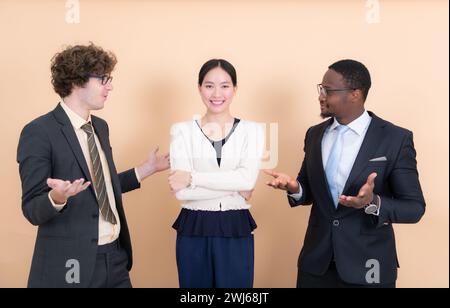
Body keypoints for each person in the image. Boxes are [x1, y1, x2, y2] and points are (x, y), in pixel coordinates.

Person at [17, 43, 170, 288]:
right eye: (103, 79)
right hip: (71, 264)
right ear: (77, 81)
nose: (110, 86)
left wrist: (145, 170)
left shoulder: (100, 127)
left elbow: (100, 187)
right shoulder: (38, 132)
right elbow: (32, 208)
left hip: (116, 257)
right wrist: (57, 197)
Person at [265, 59, 425, 288]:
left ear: (355, 94)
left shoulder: (394, 139)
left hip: (369, 267)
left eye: (327, 90)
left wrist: (372, 202)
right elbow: (310, 191)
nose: (321, 96)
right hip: (316, 266)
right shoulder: (314, 135)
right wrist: (295, 188)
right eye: (320, 89)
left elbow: (414, 208)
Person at [168, 59, 264, 288]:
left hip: (235, 225)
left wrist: (192, 178)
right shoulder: (182, 131)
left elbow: (248, 179)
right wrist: (235, 188)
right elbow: (181, 194)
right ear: (199, 88)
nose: (217, 93)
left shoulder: (253, 131)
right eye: (209, 85)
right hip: (194, 226)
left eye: (225, 86)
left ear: (235, 89)